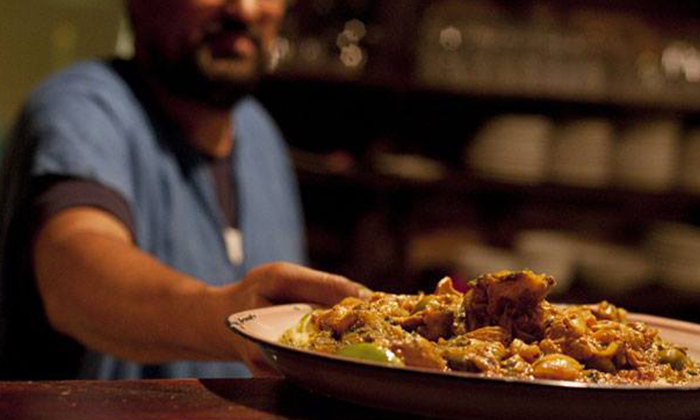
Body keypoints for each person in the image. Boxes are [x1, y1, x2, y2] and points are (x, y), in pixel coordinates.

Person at [0, 0, 368, 380]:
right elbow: (72, 276)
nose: (245, 10)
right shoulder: (82, 108)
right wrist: (236, 317)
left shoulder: (261, 136)